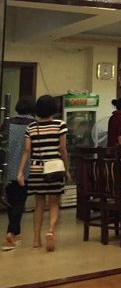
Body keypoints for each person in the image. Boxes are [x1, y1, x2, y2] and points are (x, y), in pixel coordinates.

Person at [16, 94, 70, 251]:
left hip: (36, 169)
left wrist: (20, 172)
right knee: (54, 202)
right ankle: (51, 230)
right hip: (55, 169)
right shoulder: (60, 125)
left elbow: (27, 151)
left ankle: (36, 239)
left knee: (39, 204)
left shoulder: (31, 127)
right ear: (54, 108)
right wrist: (67, 169)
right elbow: (63, 149)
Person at [2, 96, 35, 250]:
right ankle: (11, 232)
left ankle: (16, 232)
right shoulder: (33, 124)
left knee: (11, 201)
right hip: (25, 168)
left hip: (8, 168)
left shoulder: (8, 122)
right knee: (19, 202)